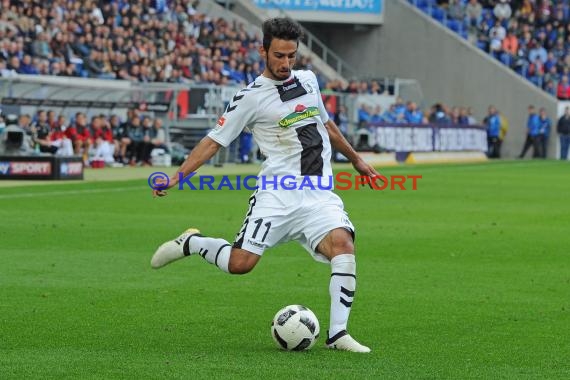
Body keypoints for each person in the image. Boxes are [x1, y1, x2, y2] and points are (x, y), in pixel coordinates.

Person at [150, 18, 379, 353]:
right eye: (279, 56)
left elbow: (326, 125)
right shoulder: (250, 98)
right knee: (240, 264)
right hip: (276, 195)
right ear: (263, 51)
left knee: (343, 246)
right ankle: (192, 243)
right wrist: (176, 175)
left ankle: (337, 335)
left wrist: (356, 159)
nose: (286, 63)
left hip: (318, 194)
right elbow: (214, 141)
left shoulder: (309, 79)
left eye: (291, 55)